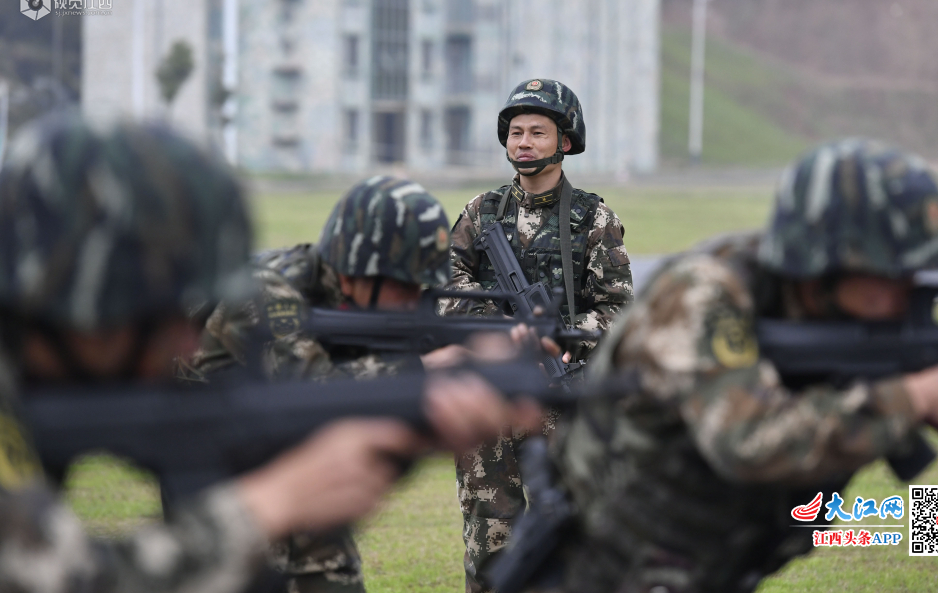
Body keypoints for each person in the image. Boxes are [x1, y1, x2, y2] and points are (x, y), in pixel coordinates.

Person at [0, 114, 540, 593]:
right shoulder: (269, 291)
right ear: (83, 299)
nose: (190, 343)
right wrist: (265, 507)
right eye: (164, 316)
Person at [537, 139, 938, 593]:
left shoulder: (846, 320)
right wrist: (915, 398)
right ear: (826, 264)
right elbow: (747, 441)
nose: (906, 290)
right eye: (889, 272)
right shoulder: (702, 294)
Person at [179, 175, 461, 593]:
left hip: (287, 462)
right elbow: (309, 392)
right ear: (356, 268)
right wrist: (424, 369)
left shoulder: (340, 295)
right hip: (223, 478)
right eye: (403, 283)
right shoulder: (268, 290)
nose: (411, 300)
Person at [444, 79, 633, 592]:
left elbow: (618, 311)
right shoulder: (481, 212)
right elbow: (444, 288)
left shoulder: (593, 218)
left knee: (574, 536)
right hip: (492, 400)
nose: (523, 142)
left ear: (565, 142)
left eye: (538, 133)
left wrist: (561, 336)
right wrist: (501, 327)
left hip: (564, 400)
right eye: (516, 132)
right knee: (490, 541)